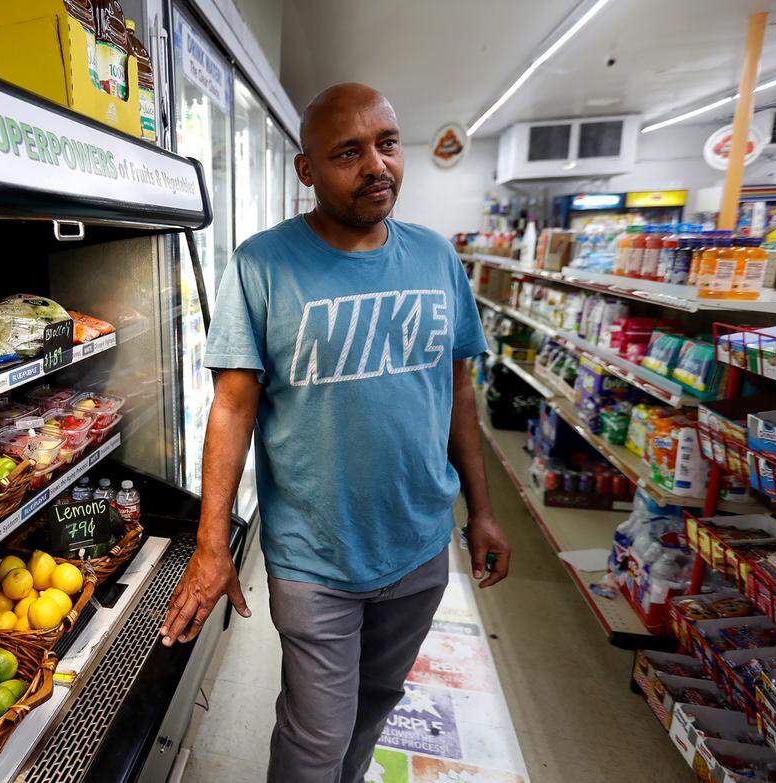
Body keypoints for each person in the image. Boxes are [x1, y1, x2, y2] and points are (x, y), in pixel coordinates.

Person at [159, 82, 511, 782]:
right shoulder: (263, 265)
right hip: (315, 554)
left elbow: (458, 389)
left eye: (386, 143)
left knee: (377, 701)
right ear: (307, 170)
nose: (376, 165)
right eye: (348, 152)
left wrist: (484, 510)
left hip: (417, 545)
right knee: (316, 734)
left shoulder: (438, 259)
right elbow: (232, 407)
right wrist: (210, 544)